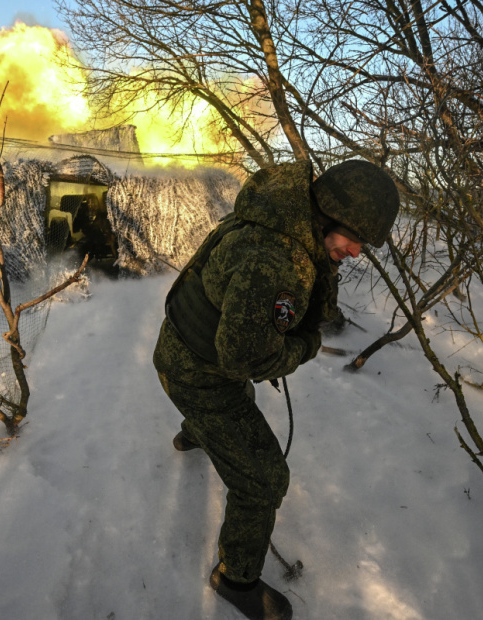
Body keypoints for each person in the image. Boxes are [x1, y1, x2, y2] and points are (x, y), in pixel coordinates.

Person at [153, 160, 400, 620]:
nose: (357, 252)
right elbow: (245, 360)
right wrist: (305, 345)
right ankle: (235, 578)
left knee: (236, 406)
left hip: (181, 348)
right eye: (355, 238)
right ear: (329, 214)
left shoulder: (277, 211)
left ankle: (198, 432)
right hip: (198, 373)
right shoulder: (277, 262)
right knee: (265, 479)